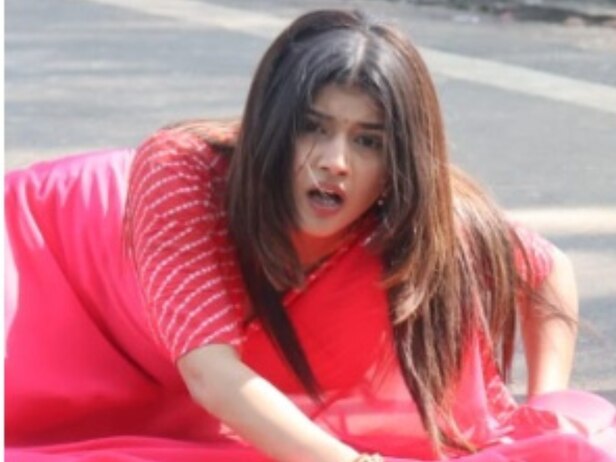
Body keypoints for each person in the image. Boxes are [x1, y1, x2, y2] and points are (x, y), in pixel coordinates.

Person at [5, 8, 615, 462]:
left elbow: (545, 271)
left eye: (368, 141)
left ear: (398, 162)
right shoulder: (180, 169)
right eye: (312, 128)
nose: (334, 162)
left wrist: (545, 406)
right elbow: (211, 374)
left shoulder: (417, 217)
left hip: (180, 384)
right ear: (271, 126)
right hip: (50, 274)